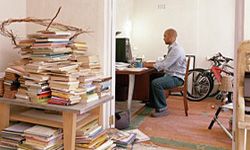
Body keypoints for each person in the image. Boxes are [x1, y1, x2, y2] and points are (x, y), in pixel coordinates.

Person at [147, 28, 186, 117]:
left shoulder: (176, 50)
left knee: (156, 83)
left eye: (165, 36)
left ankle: (162, 108)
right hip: (172, 75)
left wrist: (148, 65)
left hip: (176, 78)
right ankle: (153, 102)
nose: (163, 38)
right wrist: (151, 64)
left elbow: (165, 65)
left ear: (171, 37)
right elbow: (164, 61)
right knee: (152, 77)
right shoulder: (173, 48)